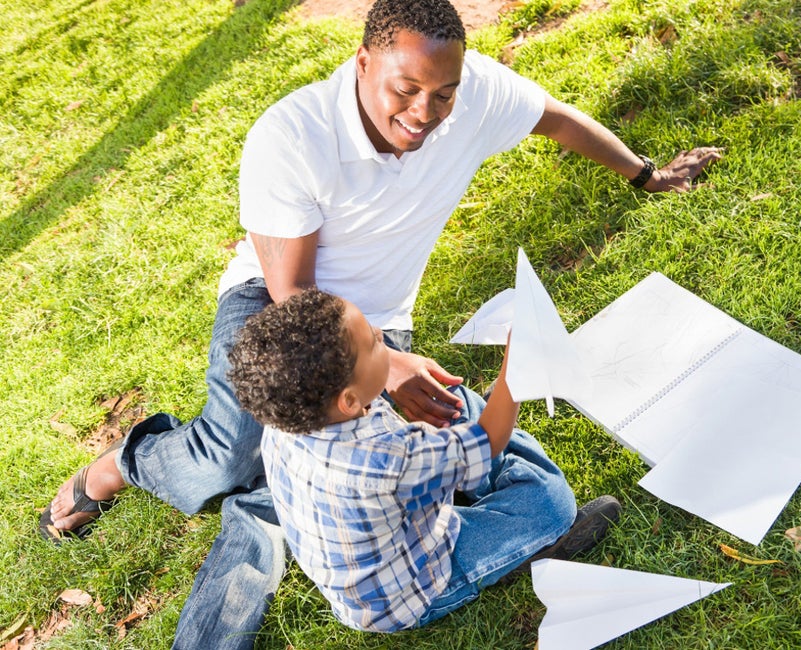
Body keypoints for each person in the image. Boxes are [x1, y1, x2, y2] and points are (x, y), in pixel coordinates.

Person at [39, 0, 721, 646]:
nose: (425, 111)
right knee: (229, 458)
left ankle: (304, 504)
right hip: (285, 307)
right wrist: (390, 367)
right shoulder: (292, 136)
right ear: (363, 61)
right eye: (406, 89)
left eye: (443, 93)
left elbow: (552, 116)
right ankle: (124, 466)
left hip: (374, 330)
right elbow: (294, 292)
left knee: (313, 462)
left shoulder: (466, 92)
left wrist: (645, 175)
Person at [227, 288, 621, 632]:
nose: (383, 336)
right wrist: (514, 371)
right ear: (348, 400)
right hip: (411, 591)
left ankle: (463, 465)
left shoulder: (286, 419)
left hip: (374, 555)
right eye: (375, 342)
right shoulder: (388, 458)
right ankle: (528, 546)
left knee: (453, 404)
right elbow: (491, 438)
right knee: (549, 501)